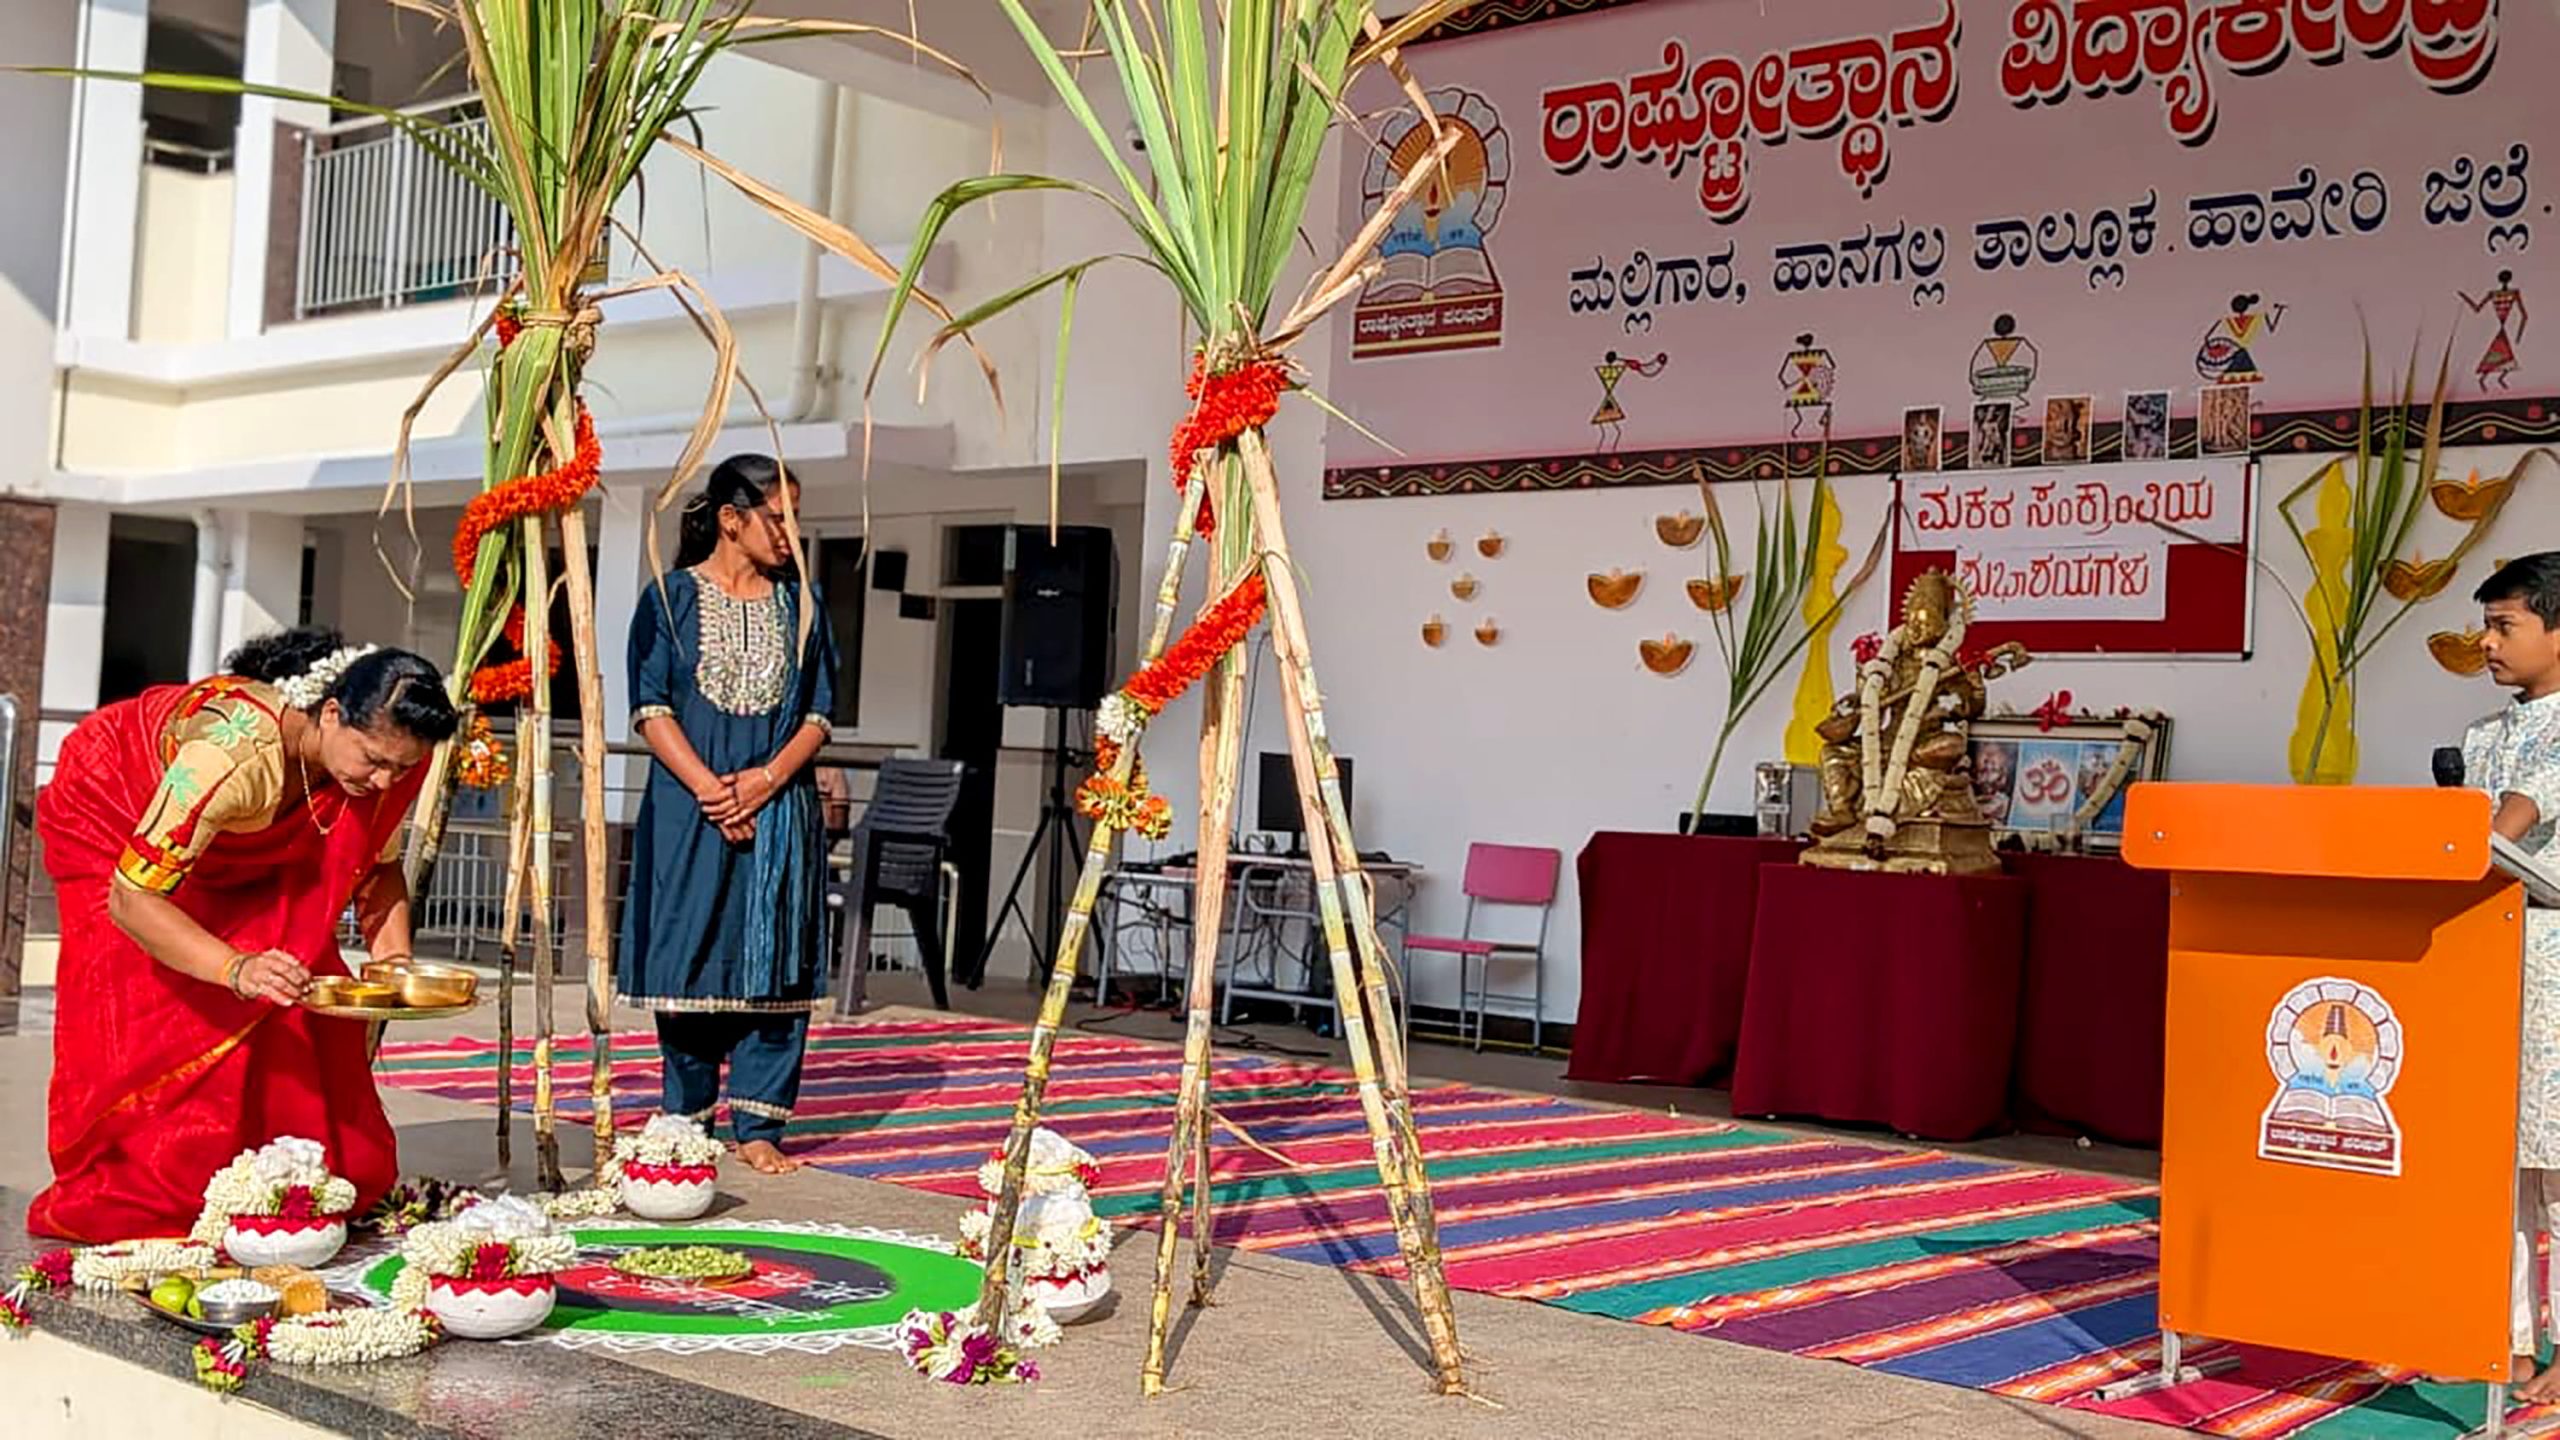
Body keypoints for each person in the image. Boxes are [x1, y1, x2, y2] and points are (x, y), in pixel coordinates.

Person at [30, 628, 457, 1242]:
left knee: (299, 982)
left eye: (403, 768)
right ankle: (148, 1172)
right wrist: (235, 967)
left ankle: (282, 1171)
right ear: (331, 714)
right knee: (151, 1003)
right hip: (114, 815)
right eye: (374, 759)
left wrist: (395, 964)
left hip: (230, 849)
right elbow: (134, 896)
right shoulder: (229, 758)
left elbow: (379, 866)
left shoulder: (360, 775)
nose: (386, 783)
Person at [621, 454, 838, 1175]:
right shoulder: (669, 600)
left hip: (780, 809)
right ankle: (687, 1115)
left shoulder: (802, 605)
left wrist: (767, 781)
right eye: (780, 516)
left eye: (797, 517)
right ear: (730, 519)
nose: (791, 533)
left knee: (773, 956)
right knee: (689, 954)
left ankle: (759, 1125)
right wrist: (715, 791)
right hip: (690, 808)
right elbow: (650, 708)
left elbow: (819, 713)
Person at [2461, 552, 2560, 1401]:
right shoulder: (2483, 734)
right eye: (2486, 625)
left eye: (2505, 626)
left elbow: (2514, 823)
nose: (2486, 642)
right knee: (2492, 1168)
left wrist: (2469, 840)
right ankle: (2508, 1345)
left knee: (2557, 1169)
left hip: (2554, 965)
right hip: (2482, 959)